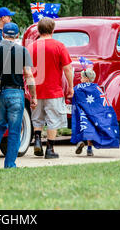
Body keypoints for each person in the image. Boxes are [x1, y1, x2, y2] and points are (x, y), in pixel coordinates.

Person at [0, 22, 37, 169]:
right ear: (17, 36)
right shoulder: (22, 50)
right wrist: (34, 96)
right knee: (14, 130)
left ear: (3, 34)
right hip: (16, 92)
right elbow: (29, 75)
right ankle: (10, 164)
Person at [27, 17, 74, 159]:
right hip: (53, 90)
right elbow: (68, 69)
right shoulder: (59, 46)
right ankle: (50, 149)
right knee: (53, 119)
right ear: (53, 30)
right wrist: (71, 87)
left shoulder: (30, 47)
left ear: (38, 30)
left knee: (37, 118)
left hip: (36, 89)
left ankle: (36, 140)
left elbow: (26, 69)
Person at [72, 68, 120, 157]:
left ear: (86, 78)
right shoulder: (96, 87)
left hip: (83, 111)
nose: (80, 79)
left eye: (82, 77)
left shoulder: (79, 87)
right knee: (92, 129)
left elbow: (72, 94)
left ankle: (81, 141)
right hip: (95, 113)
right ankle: (89, 149)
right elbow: (102, 99)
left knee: (83, 127)